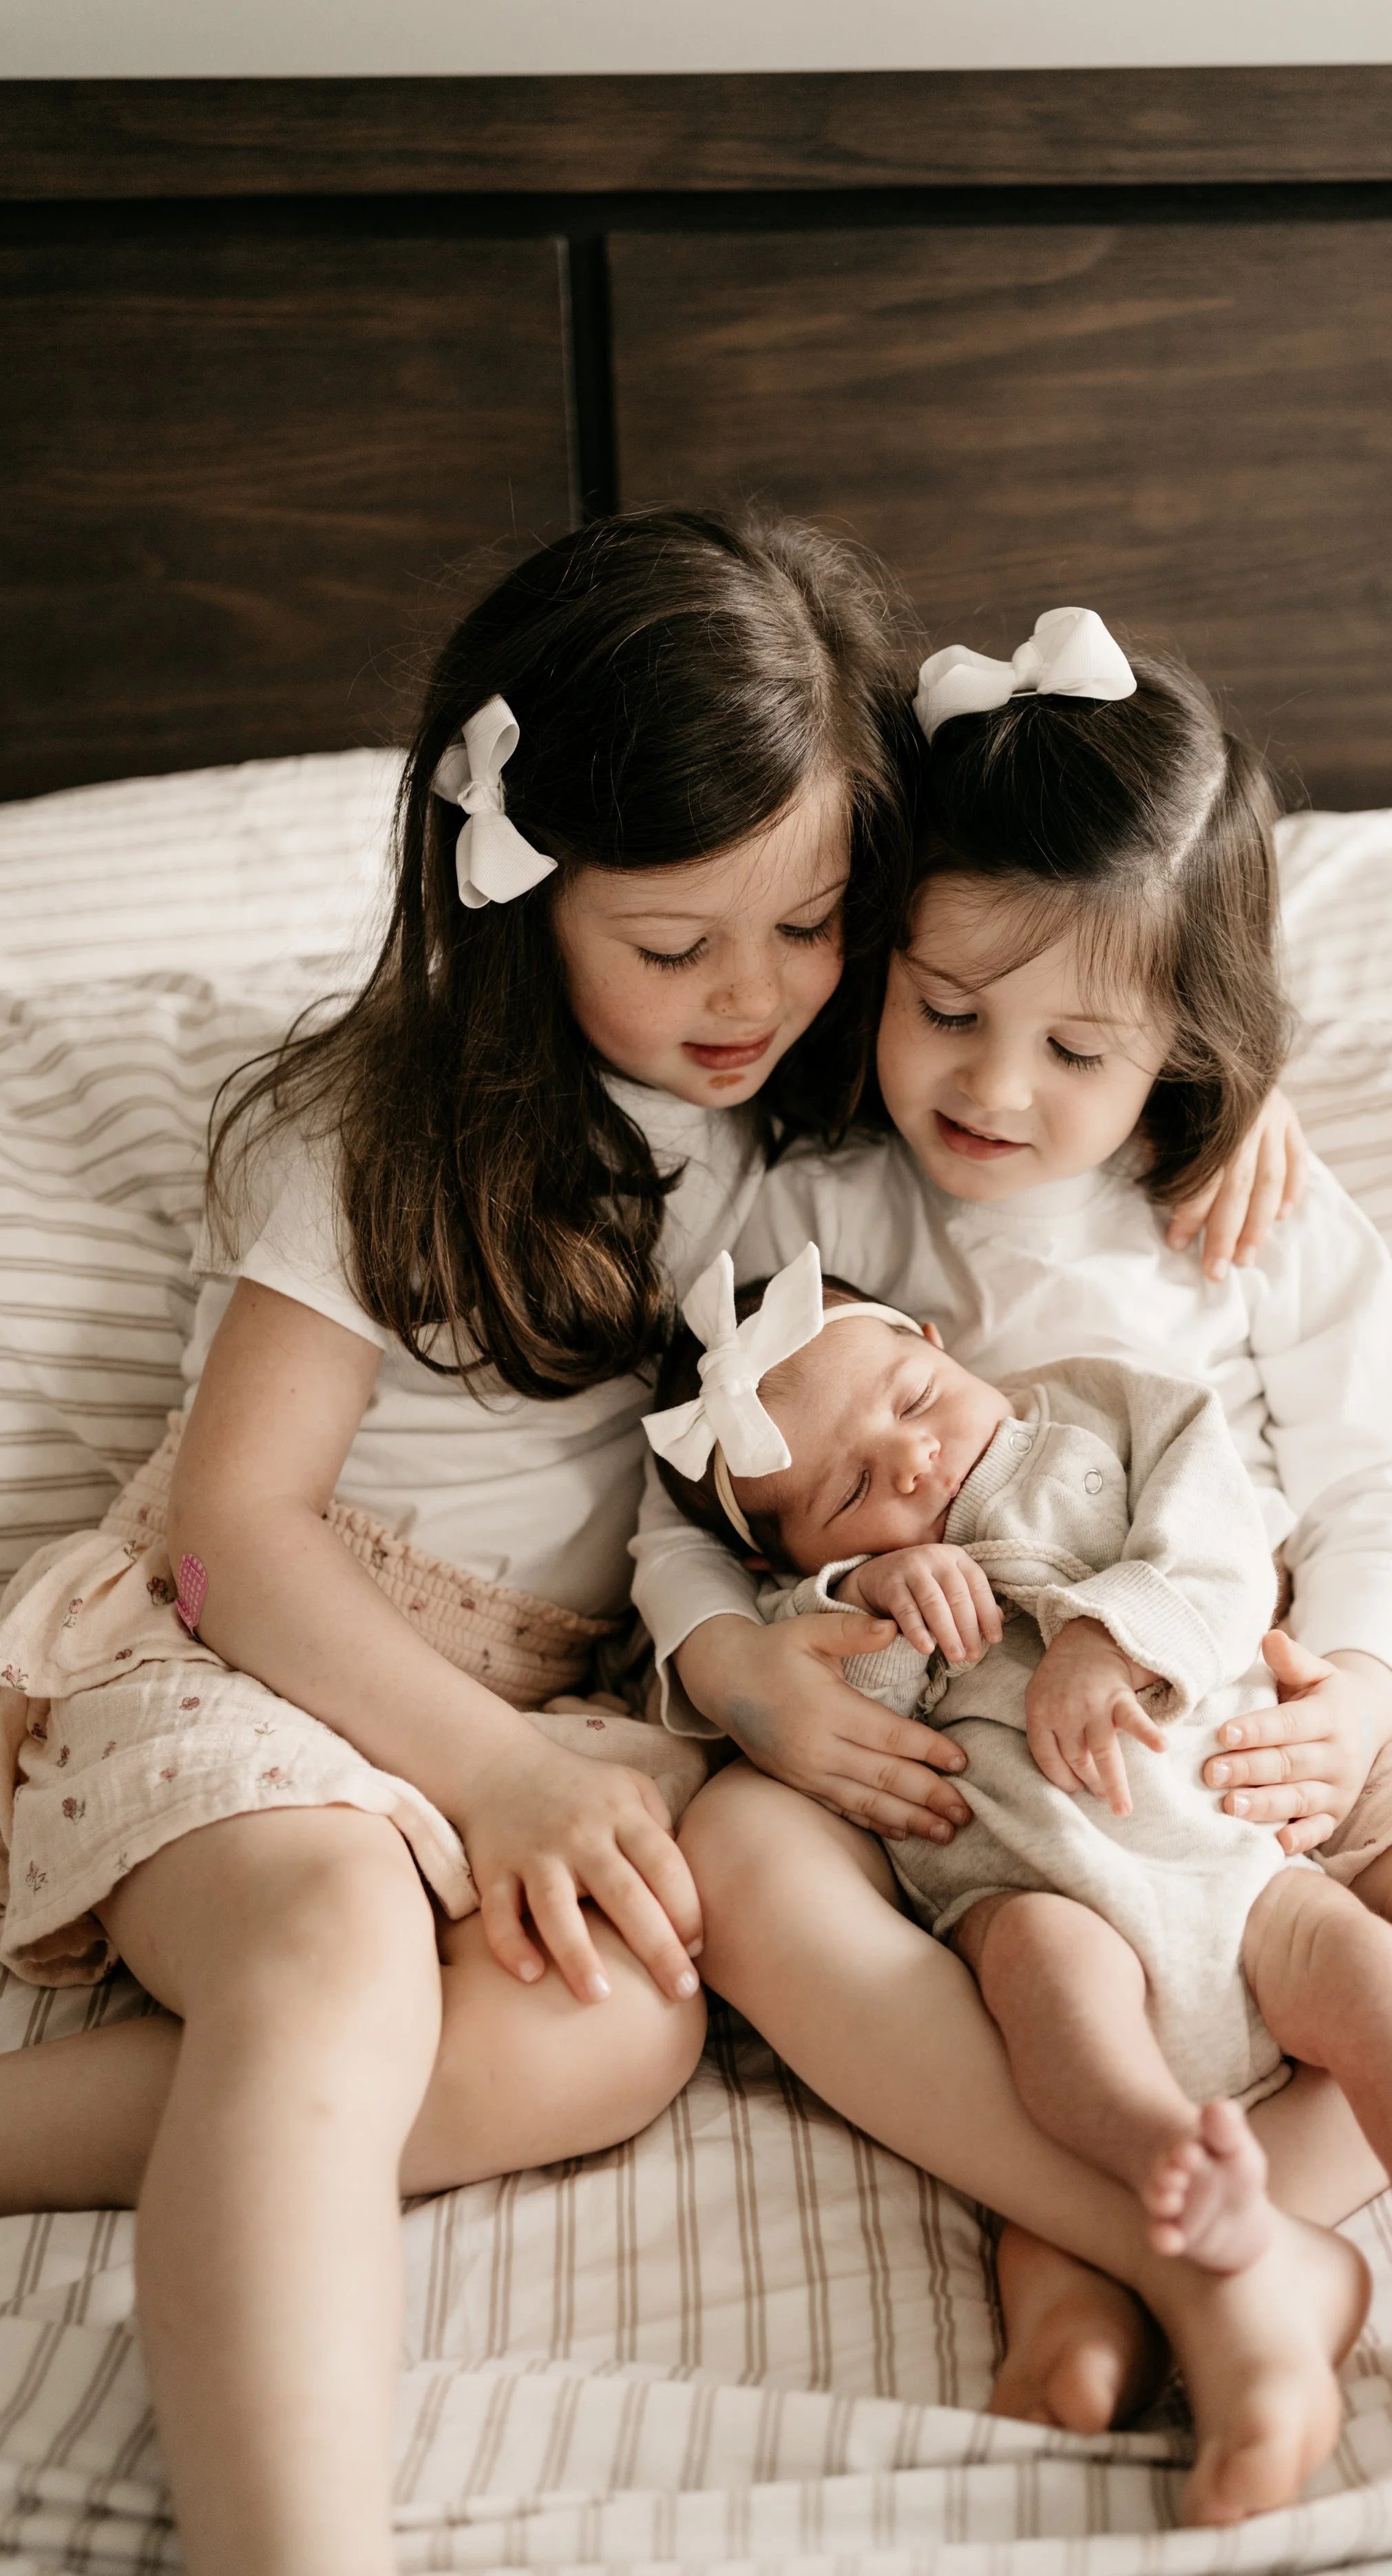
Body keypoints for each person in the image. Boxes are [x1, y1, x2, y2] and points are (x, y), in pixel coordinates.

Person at [0, 506, 929, 2576]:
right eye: (672, 941)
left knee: (617, 2026)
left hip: (549, 1712)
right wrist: (491, 1769)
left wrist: (1227, 1105)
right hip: (269, 1649)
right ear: (518, 893)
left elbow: (1067, 1007)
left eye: (807, 924)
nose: (750, 995)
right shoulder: (378, 1131)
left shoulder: (810, 1105)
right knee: (333, 1952)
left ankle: (183, 2132)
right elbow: (234, 1532)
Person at [635, 611, 1392, 2520]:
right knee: (741, 1854)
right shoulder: (806, 1205)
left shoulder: (1240, 1202)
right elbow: (670, 1517)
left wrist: (1350, 1690)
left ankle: (1137, 2239)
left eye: (1077, 1043)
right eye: (946, 1009)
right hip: (977, 1781)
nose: (995, 1086)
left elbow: (1380, 1490)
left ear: (1184, 1032)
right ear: (884, 958)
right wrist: (745, 1665)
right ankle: (1225, 2264)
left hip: (1250, 1721)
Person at [646, 1244, 1392, 2510]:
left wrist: (1115, 1635)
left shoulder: (1095, 1413)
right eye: (852, 1490)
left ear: (939, 1344)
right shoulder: (835, 1594)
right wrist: (871, 1598)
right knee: (1059, 2026)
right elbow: (833, 1714)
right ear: (790, 1559)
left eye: (911, 1404)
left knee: (1380, 1985)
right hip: (1035, 1890)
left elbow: (1225, 1535)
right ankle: (1167, 2191)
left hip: (1239, 1852)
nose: (914, 1464)